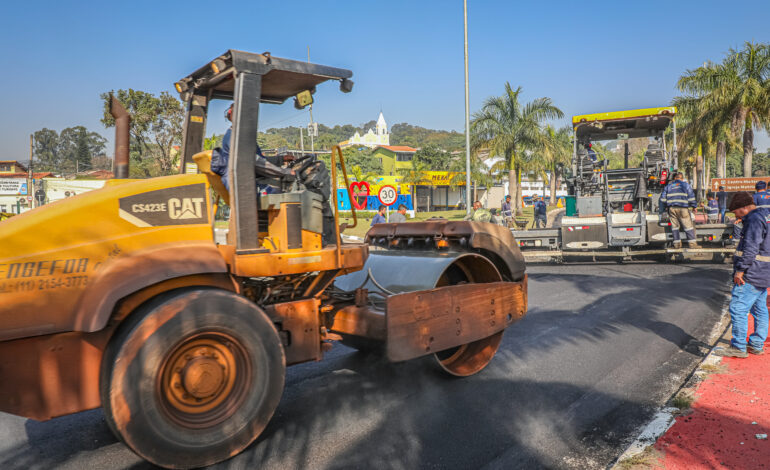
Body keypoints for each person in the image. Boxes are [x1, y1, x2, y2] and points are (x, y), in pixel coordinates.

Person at [714, 191, 769, 358]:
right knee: (760, 309)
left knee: (738, 308)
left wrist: (740, 270)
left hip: (751, 273)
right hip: (763, 272)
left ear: (744, 208)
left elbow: (751, 247)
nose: (736, 217)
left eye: (736, 212)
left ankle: (738, 347)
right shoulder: (765, 215)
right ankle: (757, 344)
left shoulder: (753, 219)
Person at [211, 104, 294, 193]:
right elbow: (254, 161)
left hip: (250, 182)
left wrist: (281, 159)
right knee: (292, 196)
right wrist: (284, 172)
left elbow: (260, 160)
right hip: (246, 188)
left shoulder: (238, 136)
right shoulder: (233, 138)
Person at [659, 172, 698, 249]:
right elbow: (691, 197)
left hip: (672, 209)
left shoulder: (668, 186)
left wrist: (666, 206)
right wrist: (694, 206)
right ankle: (692, 245)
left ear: (675, 178)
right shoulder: (686, 185)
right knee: (688, 226)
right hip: (683, 208)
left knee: (675, 227)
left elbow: (662, 199)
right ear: (682, 178)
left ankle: (677, 245)